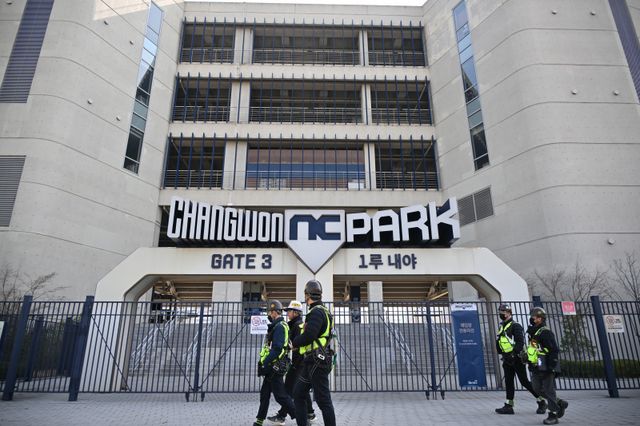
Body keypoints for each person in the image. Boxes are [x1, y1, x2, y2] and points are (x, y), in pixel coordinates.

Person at [291, 280, 336, 426]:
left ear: (307, 295)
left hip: (317, 361)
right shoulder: (321, 311)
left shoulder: (316, 312)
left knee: (324, 401)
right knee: (298, 393)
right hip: (312, 361)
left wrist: (294, 343)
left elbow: (310, 335)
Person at [267, 301, 317, 425]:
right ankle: (310, 414)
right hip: (299, 363)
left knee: (288, 390)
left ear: (296, 312)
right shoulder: (293, 324)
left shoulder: (298, 325)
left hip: (298, 363)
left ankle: (282, 416)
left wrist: (292, 354)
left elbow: (298, 345)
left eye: (289, 311)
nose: (287, 313)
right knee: (301, 389)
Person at [494, 303, 547, 415]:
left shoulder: (515, 325)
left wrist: (513, 354)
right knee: (508, 381)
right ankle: (509, 406)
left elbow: (520, 342)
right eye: (500, 312)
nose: (501, 314)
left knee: (524, 381)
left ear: (509, 313)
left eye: (503, 312)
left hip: (516, 358)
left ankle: (541, 401)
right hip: (506, 358)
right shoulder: (502, 326)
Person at [254, 300, 296, 426]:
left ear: (274, 312)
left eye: (270, 312)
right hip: (272, 366)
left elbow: (277, 348)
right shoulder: (277, 326)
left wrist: (265, 363)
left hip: (275, 366)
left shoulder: (279, 327)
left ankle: (301, 417)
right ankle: (259, 420)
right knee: (264, 394)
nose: (269, 315)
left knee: (280, 396)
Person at [525, 307, 569, 425]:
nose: (532, 319)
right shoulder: (534, 332)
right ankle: (560, 403)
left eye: (534, 317)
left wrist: (551, 366)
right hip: (536, 366)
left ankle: (553, 415)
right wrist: (528, 358)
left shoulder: (545, 332)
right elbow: (534, 349)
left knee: (549, 391)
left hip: (546, 366)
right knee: (536, 389)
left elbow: (554, 350)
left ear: (540, 318)